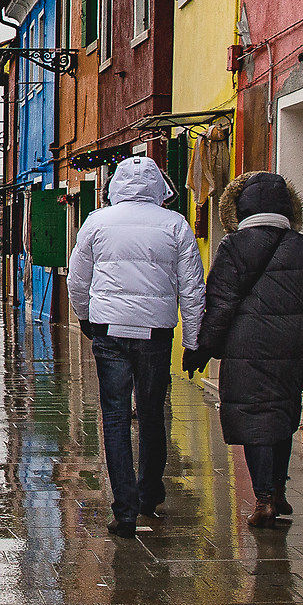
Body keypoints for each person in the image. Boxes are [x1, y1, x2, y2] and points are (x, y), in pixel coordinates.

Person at [188, 172, 303, 528]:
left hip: (246, 345)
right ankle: (278, 490)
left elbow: (220, 304)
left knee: (254, 416)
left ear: (240, 208)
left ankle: (264, 498)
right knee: (281, 414)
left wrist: (202, 348)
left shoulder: (233, 246)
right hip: (292, 345)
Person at [67, 154, 205, 537]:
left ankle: (124, 510)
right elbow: (192, 288)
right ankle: (149, 494)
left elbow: (77, 279)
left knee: (114, 417)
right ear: (159, 186)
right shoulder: (175, 225)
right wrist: (193, 341)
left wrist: (84, 317)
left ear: (116, 186)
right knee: (152, 413)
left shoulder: (97, 222)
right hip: (156, 335)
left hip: (109, 331)